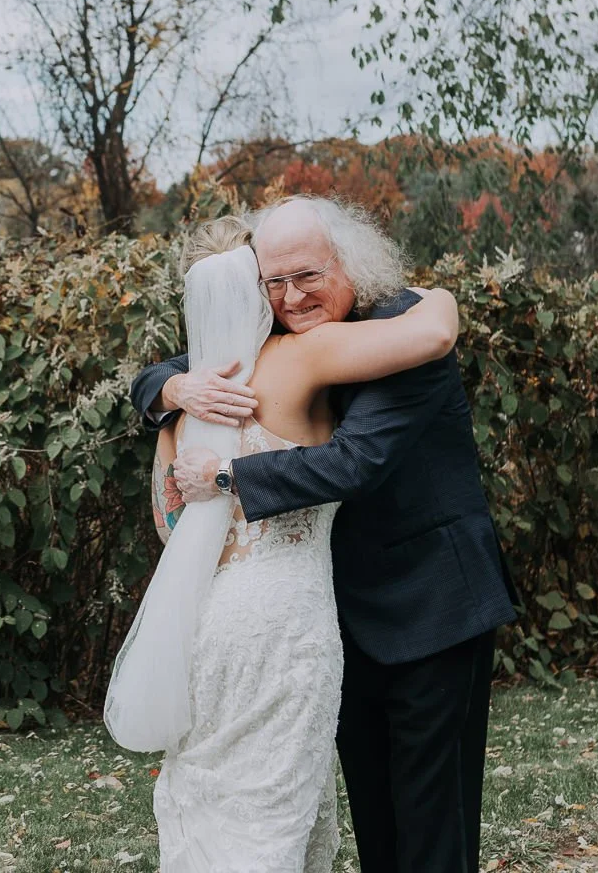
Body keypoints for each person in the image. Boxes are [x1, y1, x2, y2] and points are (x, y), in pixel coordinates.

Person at [131, 195, 519, 873]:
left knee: (431, 818)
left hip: (431, 604)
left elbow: (355, 462)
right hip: (328, 620)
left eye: (306, 276)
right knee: (373, 815)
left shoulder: (399, 330)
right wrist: (171, 390)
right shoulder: (276, 345)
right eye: (273, 283)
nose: (291, 296)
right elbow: (162, 370)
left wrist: (226, 474)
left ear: (349, 262)